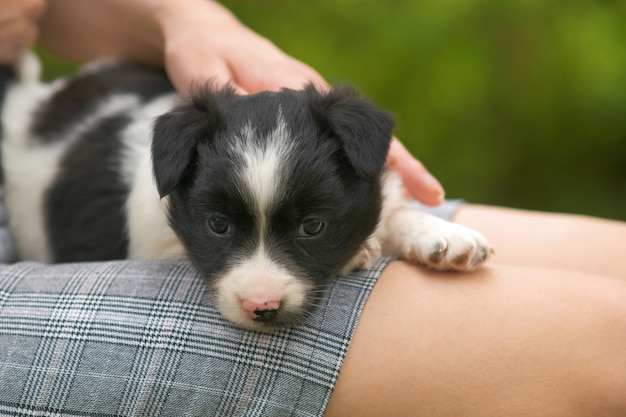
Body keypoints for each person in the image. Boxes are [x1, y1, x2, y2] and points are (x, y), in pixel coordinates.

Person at [0, 1, 625, 416]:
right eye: (219, 227)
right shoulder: (158, 188)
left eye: (314, 224)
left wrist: (190, 21)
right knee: (606, 341)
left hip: (58, 106)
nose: (263, 289)